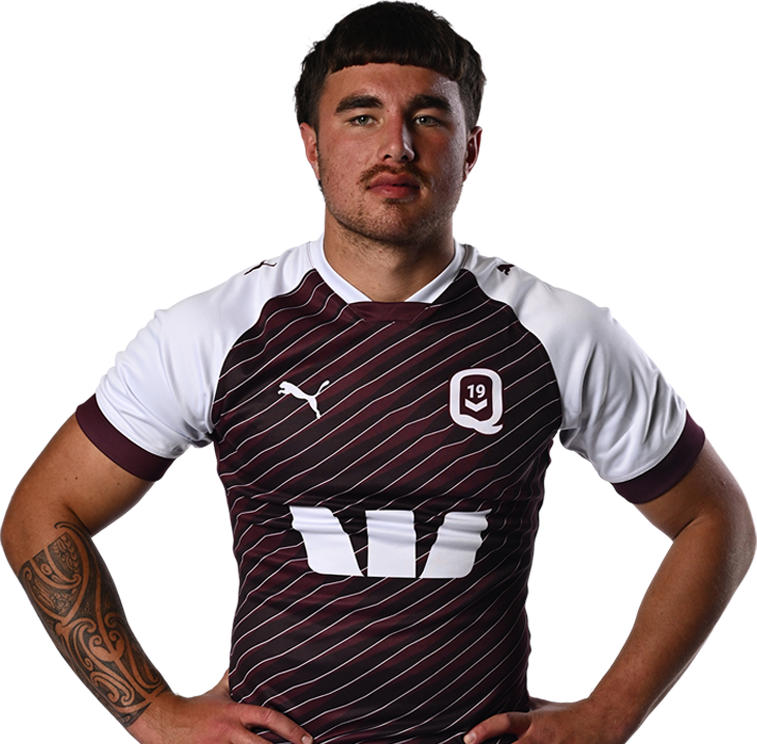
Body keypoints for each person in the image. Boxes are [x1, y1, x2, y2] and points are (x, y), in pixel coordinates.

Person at [2, 2, 755, 743]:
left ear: (470, 150)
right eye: (361, 116)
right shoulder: (213, 330)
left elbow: (716, 519)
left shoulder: (558, 331)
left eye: (427, 117)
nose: (396, 145)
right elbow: (41, 511)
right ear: (311, 146)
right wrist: (152, 713)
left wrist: (609, 715)